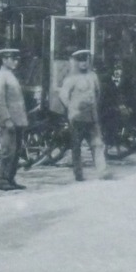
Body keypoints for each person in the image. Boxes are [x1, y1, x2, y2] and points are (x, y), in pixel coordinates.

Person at [56, 48, 106, 182]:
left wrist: (94, 108)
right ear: (77, 62)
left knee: (98, 144)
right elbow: (63, 95)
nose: (84, 63)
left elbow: (97, 93)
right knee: (76, 147)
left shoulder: (93, 76)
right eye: (81, 61)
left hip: (92, 116)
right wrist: (72, 109)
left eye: (86, 60)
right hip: (77, 118)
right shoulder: (71, 78)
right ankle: (78, 174)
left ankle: (102, 171)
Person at [0, 47, 29, 190]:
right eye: (13, 59)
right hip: (8, 121)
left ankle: (10, 179)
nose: (16, 62)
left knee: (16, 151)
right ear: (4, 60)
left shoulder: (10, 75)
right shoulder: (1, 77)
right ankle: (2, 180)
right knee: (7, 151)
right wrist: (7, 120)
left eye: (17, 59)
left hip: (17, 120)